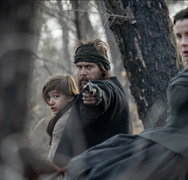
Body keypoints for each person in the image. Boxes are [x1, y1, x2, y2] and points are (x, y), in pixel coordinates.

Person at [66, 6, 188, 180]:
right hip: (171, 143)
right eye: (179, 36)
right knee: (93, 161)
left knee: (91, 167)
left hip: (179, 148)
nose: (183, 43)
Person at [53, 39, 133, 168]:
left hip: (103, 170)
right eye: (79, 67)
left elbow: (102, 95)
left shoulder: (107, 88)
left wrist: (95, 96)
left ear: (102, 68)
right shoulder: (116, 87)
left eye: (89, 67)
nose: (82, 73)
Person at [41, 74, 79, 162]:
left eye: (56, 96)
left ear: (70, 97)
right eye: (48, 97)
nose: (50, 102)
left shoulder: (63, 123)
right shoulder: (75, 112)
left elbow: (54, 164)